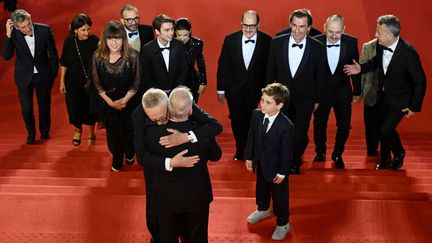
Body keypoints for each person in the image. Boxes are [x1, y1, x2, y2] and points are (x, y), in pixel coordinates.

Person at [132, 87, 222, 243]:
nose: (159, 123)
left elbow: (216, 125)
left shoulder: (153, 134)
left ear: (168, 105)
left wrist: (188, 137)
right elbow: (142, 157)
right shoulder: (138, 116)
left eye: (161, 117)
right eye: (154, 120)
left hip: (166, 196)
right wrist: (170, 162)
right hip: (193, 196)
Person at [344, 15, 427, 170]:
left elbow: (420, 81)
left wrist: (415, 106)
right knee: (381, 129)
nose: (375, 35)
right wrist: (361, 68)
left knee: (386, 129)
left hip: (401, 99)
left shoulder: (409, 53)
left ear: (390, 35)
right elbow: (375, 62)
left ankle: (399, 153)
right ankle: (384, 160)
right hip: (383, 96)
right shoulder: (382, 45)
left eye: (379, 32)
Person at [266, 8, 325, 174]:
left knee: (299, 134)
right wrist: (268, 96)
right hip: (281, 98)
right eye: (294, 25)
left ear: (309, 28)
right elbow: (270, 71)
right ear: (290, 25)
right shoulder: (277, 42)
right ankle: (283, 158)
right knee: (281, 131)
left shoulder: (317, 47)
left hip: (305, 99)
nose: (297, 30)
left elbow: (320, 76)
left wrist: (317, 99)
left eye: (302, 26)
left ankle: (294, 160)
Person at [217, 10, 272, 160]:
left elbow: (269, 67)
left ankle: (251, 147)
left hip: (257, 89)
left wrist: (268, 91)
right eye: (245, 26)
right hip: (233, 89)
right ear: (241, 23)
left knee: (252, 119)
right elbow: (223, 65)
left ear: (258, 25)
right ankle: (240, 148)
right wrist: (220, 89)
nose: (248, 30)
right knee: (236, 119)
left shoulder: (267, 41)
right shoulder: (230, 40)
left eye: (252, 26)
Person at [2, 9, 59, 144]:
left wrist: (53, 74)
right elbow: (6, 56)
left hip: (43, 75)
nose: (28, 29)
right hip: (23, 76)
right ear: (16, 27)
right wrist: (8, 35)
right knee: (26, 109)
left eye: (29, 24)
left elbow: (53, 53)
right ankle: (31, 133)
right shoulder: (14, 34)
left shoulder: (44, 30)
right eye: (23, 27)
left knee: (44, 106)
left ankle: (44, 132)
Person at [90, 20, 141, 172]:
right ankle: (117, 159)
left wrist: (123, 101)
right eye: (110, 38)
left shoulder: (133, 56)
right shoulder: (98, 56)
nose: (114, 43)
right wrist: (111, 103)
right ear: (105, 39)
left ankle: (130, 152)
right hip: (108, 103)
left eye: (118, 38)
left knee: (128, 132)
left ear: (123, 39)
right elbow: (97, 83)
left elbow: (136, 83)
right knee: (112, 136)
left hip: (129, 102)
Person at [245, 83, 294, 241]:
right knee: (261, 188)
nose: (262, 104)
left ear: (279, 105)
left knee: (280, 197)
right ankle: (263, 208)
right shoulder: (257, 115)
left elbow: (286, 153)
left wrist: (282, 173)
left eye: (268, 102)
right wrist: (249, 157)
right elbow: (252, 136)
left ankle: (283, 223)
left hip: (277, 168)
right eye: (262, 100)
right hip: (260, 163)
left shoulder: (286, 126)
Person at [312, 14, 361, 168]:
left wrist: (357, 90)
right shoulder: (315, 41)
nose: (334, 36)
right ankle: (320, 152)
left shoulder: (351, 42)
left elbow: (355, 68)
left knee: (345, 125)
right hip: (321, 92)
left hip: (342, 91)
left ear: (344, 30)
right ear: (325, 28)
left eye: (338, 32)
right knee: (319, 124)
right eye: (330, 31)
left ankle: (338, 154)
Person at [59, 13, 99, 146]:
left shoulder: (95, 41)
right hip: (72, 81)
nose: (87, 32)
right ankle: (77, 131)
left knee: (90, 107)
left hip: (90, 81)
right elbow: (64, 62)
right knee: (74, 107)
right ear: (75, 30)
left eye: (88, 29)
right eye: (83, 30)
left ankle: (91, 133)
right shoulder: (69, 41)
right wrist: (62, 81)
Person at [141, 14, 188, 92]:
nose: (171, 33)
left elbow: (183, 71)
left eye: (172, 29)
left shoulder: (179, 46)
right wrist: (159, 92)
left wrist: (175, 90)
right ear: (157, 31)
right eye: (167, 30)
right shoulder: (147, 49)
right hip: (156, 95)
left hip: (176, 93)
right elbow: (147, 76)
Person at [175, 17, 207, 103]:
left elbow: (201, 63)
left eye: (185, 35)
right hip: (174, 80)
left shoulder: (196, 43)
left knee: (192, 107)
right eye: (179, 35)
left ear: (190, 32)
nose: (182, 38)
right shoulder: (171, 43)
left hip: (192, 80)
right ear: (175, 33)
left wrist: (203, 82)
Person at [360, 38, 381, 157]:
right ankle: (371, 150)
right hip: (371, 90)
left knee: (385, 125)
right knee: (370, 123)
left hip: (389, 92)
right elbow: (362, 69)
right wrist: (359, 92)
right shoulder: (368, 46)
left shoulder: (398, 47)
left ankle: (386, 154)